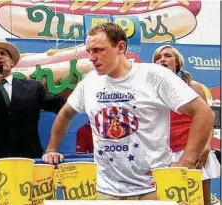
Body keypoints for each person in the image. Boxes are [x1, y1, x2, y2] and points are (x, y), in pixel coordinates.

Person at [42, 23, 214, 200]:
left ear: (120, 47)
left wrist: (186, 161)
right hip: (106, 191)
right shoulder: (89, 82)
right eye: (89, 51)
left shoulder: (154, 76)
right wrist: (51, 149)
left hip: (153, 189)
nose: (92, 57)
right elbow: (65, 114)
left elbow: (205, 114)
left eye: (99, 50)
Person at [153, 45, 220, 205]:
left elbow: (207, 119)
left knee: (201, 201)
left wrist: (205, 147)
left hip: (193, 150)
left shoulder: (194, 87)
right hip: (165, 154)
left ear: (177, 62)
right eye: (158, 57)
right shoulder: (149, 90)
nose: (162, 59)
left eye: (167, 55)